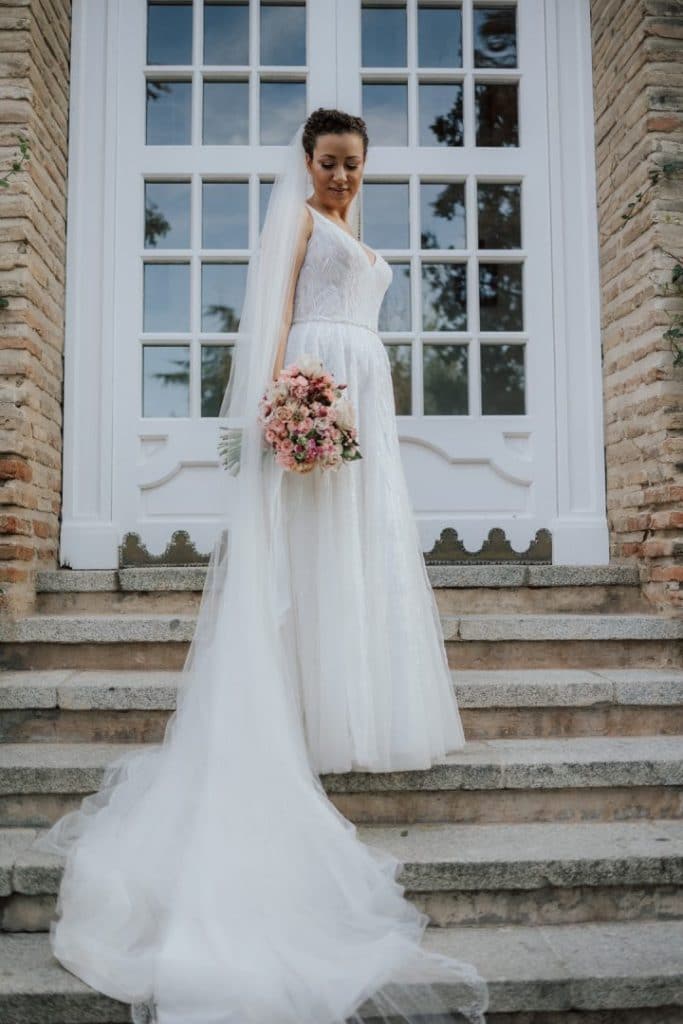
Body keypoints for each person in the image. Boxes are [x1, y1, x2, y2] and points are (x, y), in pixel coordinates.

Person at [32, 108, 490, 1024]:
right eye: (329, 163)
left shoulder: (355, 224)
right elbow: (276, 316)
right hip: (316, 388)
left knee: (358, 555)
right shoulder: (298, 221)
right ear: (307, 163)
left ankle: (341, 704)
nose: (342, 178)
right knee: (306, 552)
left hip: (367, 404)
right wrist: (287, 403)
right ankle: (294, 714)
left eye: (355, 165)